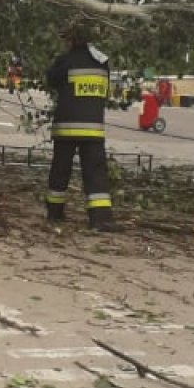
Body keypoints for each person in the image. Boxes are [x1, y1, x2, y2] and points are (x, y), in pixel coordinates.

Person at [45, 19, 115, 232]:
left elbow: (51, 80)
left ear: (71, 39)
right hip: (93, 129)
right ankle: (100, 219)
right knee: (95, 173)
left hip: (66, 127)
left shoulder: (65, 61)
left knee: (60, 170)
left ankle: (55, 214)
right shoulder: (102, 62)